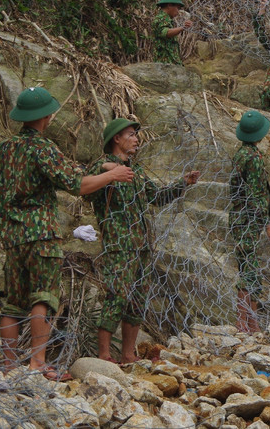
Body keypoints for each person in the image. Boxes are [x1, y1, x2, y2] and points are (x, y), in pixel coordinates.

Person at [0, 87, 134, 380]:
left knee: (13, 303)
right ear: (46, 117)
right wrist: (111, 175)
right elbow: (77, 185)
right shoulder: (43, 148)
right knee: (43, 297)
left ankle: (9, 367)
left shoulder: (4, 149)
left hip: (12, 236)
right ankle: (38, 363)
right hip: (41, 235)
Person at [86, 118, 200, 363]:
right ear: (116, 139)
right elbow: (86, 183)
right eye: (131, 135)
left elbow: (156, 197)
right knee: (117, 295)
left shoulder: (136, 171)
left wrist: (183, 184)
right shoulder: (101, 166)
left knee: (138, 299)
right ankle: (104, 355)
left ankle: (128, 354)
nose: (136, 139)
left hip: (142, 246)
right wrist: (109, 170)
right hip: (119, 245)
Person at [228, 110, 270, 333]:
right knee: (249, 271)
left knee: (249, 268)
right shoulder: (254, 159)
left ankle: (252, 323)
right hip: (249, 220)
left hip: (240, 219)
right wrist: (269, 225)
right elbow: (256, 196)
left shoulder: (241, 154)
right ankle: (243, 322)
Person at [151, 0, 192, 64]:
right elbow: (166, 32)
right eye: (177, 8)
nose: (178, 11)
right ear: (169, 5)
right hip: (165, 64)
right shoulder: (161, 18)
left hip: (170, 63)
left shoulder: (167, 19)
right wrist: (183, 27)